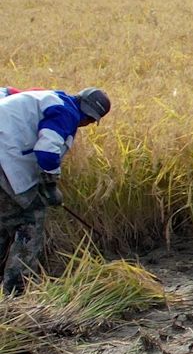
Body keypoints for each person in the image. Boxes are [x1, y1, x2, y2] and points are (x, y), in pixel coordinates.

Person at [0, 87, 111, 295]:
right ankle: (15, 291)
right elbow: (47, 150)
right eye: (89, 120)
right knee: (30, 221)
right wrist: (50, 187)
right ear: (87, 114)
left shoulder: (45, 96)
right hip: (4, 159)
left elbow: (5, 93)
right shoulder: (65, 112)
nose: (86, 124)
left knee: (5, 219)